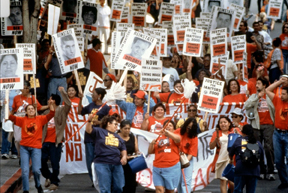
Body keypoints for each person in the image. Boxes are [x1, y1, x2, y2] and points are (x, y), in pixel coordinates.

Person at [8, 100, 55, 193]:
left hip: (36, 148)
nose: (31, 110)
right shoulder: (22, 120)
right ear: (25, 112)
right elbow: (10, 117)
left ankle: (38, 184)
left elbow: (52, 114)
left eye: (32, 108)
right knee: (25, 171)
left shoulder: (40, 119)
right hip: (24, 148)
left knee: (36, 170)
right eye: (28, 109)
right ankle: (26, 190)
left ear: (35, 110)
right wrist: (7, 106)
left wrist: (51, 105)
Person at [85, 116, 127, 193]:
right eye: (115, 124)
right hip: (102, 162)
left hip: (116, 163)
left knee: (119, 187)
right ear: (108, 124)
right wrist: (89, 121)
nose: (116, 127)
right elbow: (89, 130)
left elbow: (123, 148)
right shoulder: (99, 131)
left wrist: (124, 157)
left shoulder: (118, 136)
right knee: (105, 189)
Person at [244, 77, 275, 180]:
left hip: (269, 125)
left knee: (268, 147)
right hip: (256, 125)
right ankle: (261, 171)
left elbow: (275, 108)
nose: (256, 85)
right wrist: (257, 97)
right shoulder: (254, 96)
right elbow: (246, 105)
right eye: (256, 84)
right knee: (258, 149)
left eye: (259, 83)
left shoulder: (270, 96)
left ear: (264, 85)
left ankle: (270, 171)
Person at [78, 88, 110, 184]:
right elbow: (80, 112)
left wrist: (99, 122)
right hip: (89, 136)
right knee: (89, 160)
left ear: (99, 96)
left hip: (99, 137)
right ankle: (94, 180)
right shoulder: (91, 105)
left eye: (94, 94)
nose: (92, 96)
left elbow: (109, 122)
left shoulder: (105, 108)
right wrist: (80, 100)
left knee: (99, 159)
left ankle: (100, 179)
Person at [41, 87, 71, 191]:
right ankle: (49, 177)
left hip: (56, 142)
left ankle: (54, 182)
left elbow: (68, 104)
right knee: (41, 161)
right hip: (44, 141)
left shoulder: (62, 110)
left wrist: (63, 92)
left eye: (51, 99)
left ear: (55, 101)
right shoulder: (46, 113)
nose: (49, 100)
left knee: (54, 162)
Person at [11, 81, 48, 156]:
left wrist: (49, 106)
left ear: (29, 89)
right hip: (19, 119)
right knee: (18, 139)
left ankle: (28, 155)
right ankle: (20, 154)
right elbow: (13, 110)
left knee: (29, 138)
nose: (25, 90)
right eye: (23, 88)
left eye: (26, 88)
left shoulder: (32, 98)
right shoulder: (16, 98)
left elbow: (39, 108)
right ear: (20, 89)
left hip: (29, 120)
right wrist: (8, 117)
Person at [265, 77, 288, 190]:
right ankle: (284, 181)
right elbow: (267, 90)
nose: (281, 95)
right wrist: (279, 82)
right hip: (278, 134)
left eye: (284, 94)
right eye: (281, 93)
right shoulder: (277, 100)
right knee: (278, 160)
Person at [148, 120, 181, 193]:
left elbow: (178, 140)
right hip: (157, 168)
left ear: (174, 129)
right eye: (166, 125)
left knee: (169, 191)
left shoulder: (175, 136)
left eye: (170, 125)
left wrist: (168, 133)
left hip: (171, 167)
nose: (168, 126)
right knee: (159, 190)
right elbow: (150, 151)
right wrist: (151, 144)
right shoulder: (158, 138)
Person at [229, 124, 264, 193]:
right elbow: (262, 158)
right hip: (254, 171)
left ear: (242, 132)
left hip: (241, 170)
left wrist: (232, 160)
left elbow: (230, 153)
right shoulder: (258, 143)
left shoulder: (238, 141)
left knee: (237, 190)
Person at [210, 116, 234, 193]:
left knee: (232, 182)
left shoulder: (233, 133)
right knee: (223, 181)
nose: (223, 124)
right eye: (221, 122)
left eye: (225, 122)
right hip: (221, 159)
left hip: (231, 160)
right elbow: (211, 146)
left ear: (229, 123)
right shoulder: (216, 133)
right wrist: (215, 140)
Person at [175, 118, 198, 193]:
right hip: (176, 157)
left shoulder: (194, 137)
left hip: (187, 158)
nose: (189, 129)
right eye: (188, 127)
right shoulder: (178, 131)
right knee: (178, 181)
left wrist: (185, 163)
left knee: (186, 181)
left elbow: (191, 153)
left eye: (191, 128)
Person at [118, 120, 139, 193]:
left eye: (129, 128)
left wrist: (139, 154)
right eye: (125, 128)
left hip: (131, 163)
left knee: (132, 184)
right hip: (119, 162)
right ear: (120, 128)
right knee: (120, 184)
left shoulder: (132, 137)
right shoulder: (116, 137)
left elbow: (136, 150)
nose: (127, 130)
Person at [1, 89, 19, 159]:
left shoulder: (19, 90)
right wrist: (3, 102)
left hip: (16, 114)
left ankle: (15, 152)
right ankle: (5, 152)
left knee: (15, 133)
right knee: (5, 133)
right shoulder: (2, 89)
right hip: (5, 114)